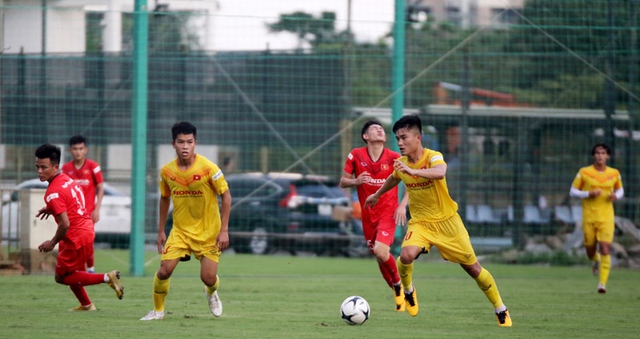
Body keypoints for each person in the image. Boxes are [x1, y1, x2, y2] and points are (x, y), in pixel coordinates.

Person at [364, 114, 512, 327]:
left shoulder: (433, 156)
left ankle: (500, 308)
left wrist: (413, 171)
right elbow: (394, 178)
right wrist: (377, 194)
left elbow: (440, 172)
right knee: (406, 255)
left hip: (448, 223)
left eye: (404, 137)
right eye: (397, 138)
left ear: (418, 137)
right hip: (421, 223)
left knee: (474, 269)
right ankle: (409, 290)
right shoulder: (401, 165)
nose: (400, 143)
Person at [140, 121, 232, 321]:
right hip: (180, 231)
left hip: (209, 232)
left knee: (207, 278)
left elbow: (226, 196)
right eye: (180, 142)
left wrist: (224, 230)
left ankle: (211, 293)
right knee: (164, 271)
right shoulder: (167, 172)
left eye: (189, 142)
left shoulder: (209, 168)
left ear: (195, 143)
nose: (184, 146)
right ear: (173, 144)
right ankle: (158, 311)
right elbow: (164, 198)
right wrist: (161, 230)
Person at [35, 144, 124, 311]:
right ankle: (86, 305)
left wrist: (52, 242)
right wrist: (51, 208)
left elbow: (65, 223)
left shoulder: (52, 192)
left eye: (43, 167)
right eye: (37, 167)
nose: (39, 171)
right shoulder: (67, 179)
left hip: (74, 236)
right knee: (73, 272)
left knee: (61, 277)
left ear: (55, 167)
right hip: (85, 230)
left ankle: (107, 277)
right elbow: (71, 200)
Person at [340, 119, 408, 312]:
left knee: (381, 251)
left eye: (381, 129)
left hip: (388, 213)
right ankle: (398, 293)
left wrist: (402, 205)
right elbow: (343, 181)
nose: (380, 130)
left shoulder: (394, 157)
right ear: (366, 137)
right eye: (375, 129)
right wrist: (356, 181)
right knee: (380, 257)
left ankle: (399, 286)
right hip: (368, 215)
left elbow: (412, 180)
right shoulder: (356, 154)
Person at [569, 143, 623, 294]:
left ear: (608, 156)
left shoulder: (614, 173)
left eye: (603, 153)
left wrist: (615, 196)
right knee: (590, 250)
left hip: (606, 217)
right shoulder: (585, 172)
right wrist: (588, 194)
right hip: (589, 216)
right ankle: (595, 259)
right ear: (593, 155)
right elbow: (573, 191)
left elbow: (620, 189)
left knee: (606, 248)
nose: (600, 155)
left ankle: (602, 284)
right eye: (598, 153)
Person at [61, 135, 104, 273]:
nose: (78, 152)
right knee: (70, 241)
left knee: (87, 242)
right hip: (72, 213)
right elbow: (63, 189)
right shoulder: (65, 169)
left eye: (80, 148)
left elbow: (100, 188)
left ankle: (90, 269)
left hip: (88, 213)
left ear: (85, 149)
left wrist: (97, 210)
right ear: (70, 150)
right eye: (75, 149)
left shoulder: (93, 167)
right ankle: (75, 269)